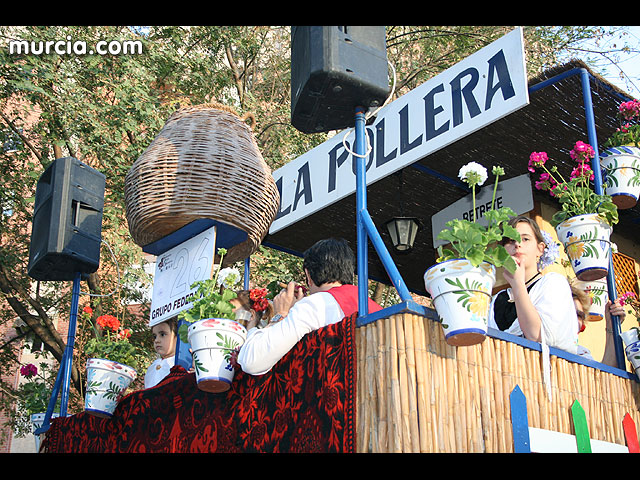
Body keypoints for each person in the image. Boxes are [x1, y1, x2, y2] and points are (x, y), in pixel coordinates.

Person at [237, 238, 382, 375]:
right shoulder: (373, 305)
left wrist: (280, 314)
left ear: (308, 275)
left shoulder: (315, 304)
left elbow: (251, 361)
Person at [488, 215, 579, 355]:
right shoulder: (496, 299)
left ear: (540, 249)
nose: (517, 244)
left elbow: (536, 335)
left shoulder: (553, 283)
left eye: (525, 239)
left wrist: (518, 283)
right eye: (510, 241)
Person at [144, 316, 178, 388]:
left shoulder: (180, 364)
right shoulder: (153, 366)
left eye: (162, 334)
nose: (156, 340)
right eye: (155, 336)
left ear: (177, 337)